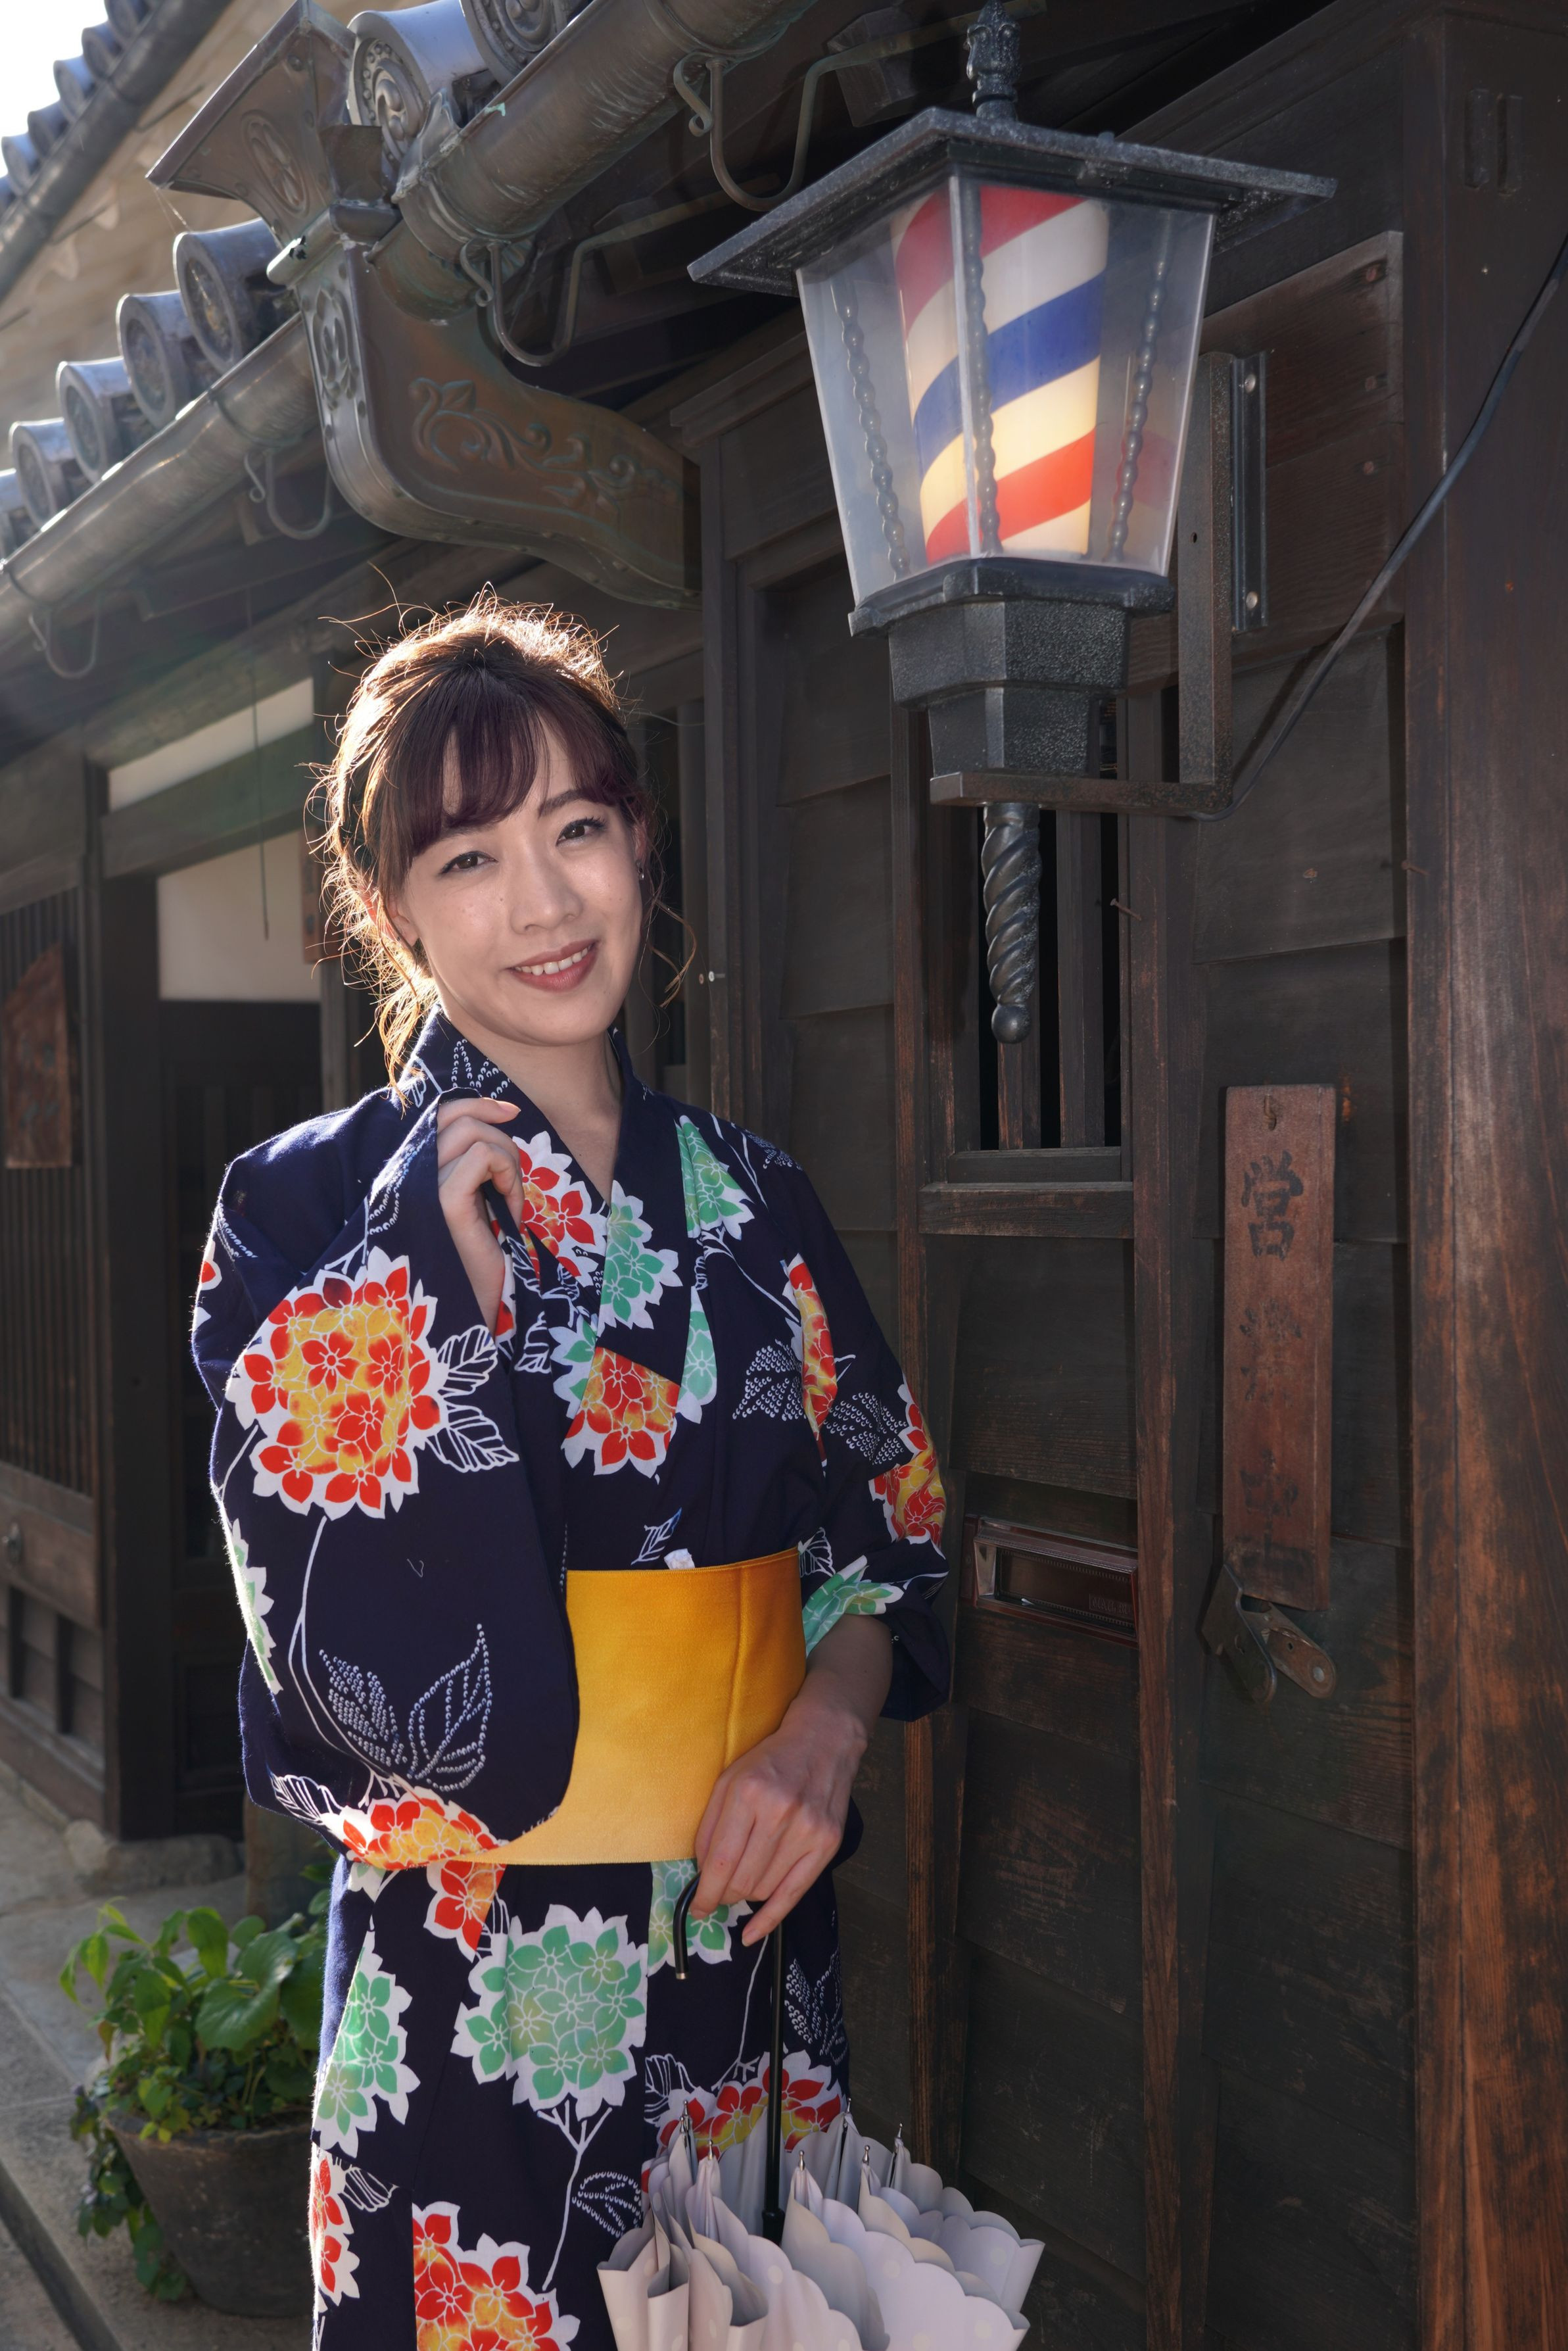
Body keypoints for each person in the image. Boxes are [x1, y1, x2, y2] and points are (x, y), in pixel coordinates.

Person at [193, 593, 949, 2349]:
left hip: (740, 1954)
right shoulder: (305, 1206)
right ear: (389, 907)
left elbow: (887, 1536)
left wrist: (824, 1738)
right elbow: (296, 1609)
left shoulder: (757, 1201)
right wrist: (416, 1299)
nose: (542, 902)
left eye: (579, 829)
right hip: (462, 1990)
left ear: (639, 847)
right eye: (469, 858)